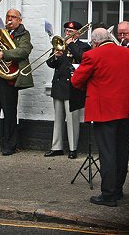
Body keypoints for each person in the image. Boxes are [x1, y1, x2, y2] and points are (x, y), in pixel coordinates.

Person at [71, 28, 129, 207]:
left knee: (107, 154)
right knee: (122, 153)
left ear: (95, 42)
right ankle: (118, 189)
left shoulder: (93, 55)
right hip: (126, 111)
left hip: (103, 112)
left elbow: (76, 81)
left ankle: (108, 194)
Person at [0, 9, 34, 156]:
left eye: (13, 17)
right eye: (8, 17)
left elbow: (24, 51)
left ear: (19, 20)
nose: (9, 20)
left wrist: (3, 53)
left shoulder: (24, 34)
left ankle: (10, 145)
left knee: (9, 114)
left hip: (9, 78)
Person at [44, 21, 91, 159]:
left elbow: (82, 59)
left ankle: (72, 148)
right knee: (58, 119)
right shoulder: (60, 45)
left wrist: (70, 44)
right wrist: (55, 56)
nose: (67, 34)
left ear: (78, 32)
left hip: (73, 88)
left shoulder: (84, 46)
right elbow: (50, 64)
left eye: (70, 32)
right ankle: (57, 147)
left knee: (72, 120)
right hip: (58, 86)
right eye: (66, 31)